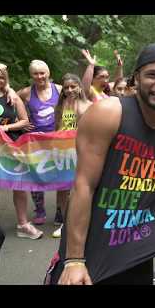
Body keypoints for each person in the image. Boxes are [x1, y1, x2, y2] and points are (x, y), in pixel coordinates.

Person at [47, 43, 155, 285]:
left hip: (137, 255)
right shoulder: (108, 113)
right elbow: (83, 186)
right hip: (89, 252)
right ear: (136, 78)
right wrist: (74, 260)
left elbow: (150, 193)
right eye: (152, 74)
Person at [0, 63, 43, 240]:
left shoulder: (12, 95)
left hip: (11, 145)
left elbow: (25, 121)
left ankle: (23, 224)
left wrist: (5, 128)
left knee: (19, 184)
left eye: (2, 77)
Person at [17, 60, 63, 227]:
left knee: (61, 176)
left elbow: (74, 104)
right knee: (36, 176)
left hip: (59, 140)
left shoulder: (59, 89)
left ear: (48, 73)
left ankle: (60, 210)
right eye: (35, 73)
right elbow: (12, 103)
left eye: (42, 73)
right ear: (31, 75)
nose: (39, 76)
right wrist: (22, 122)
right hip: (36, 141)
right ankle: (40, 210)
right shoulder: (26, 93)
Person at [51, 73, 92, 238]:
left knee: (78, 185)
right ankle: (61, 217)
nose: (69, 90)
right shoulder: (60, 105)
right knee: (62, 186)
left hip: (81, 150)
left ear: (79, 87)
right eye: (66, 87)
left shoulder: (87, 105)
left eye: (73, 86)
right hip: (62, 150)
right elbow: (57, 126)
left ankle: (77, 220)